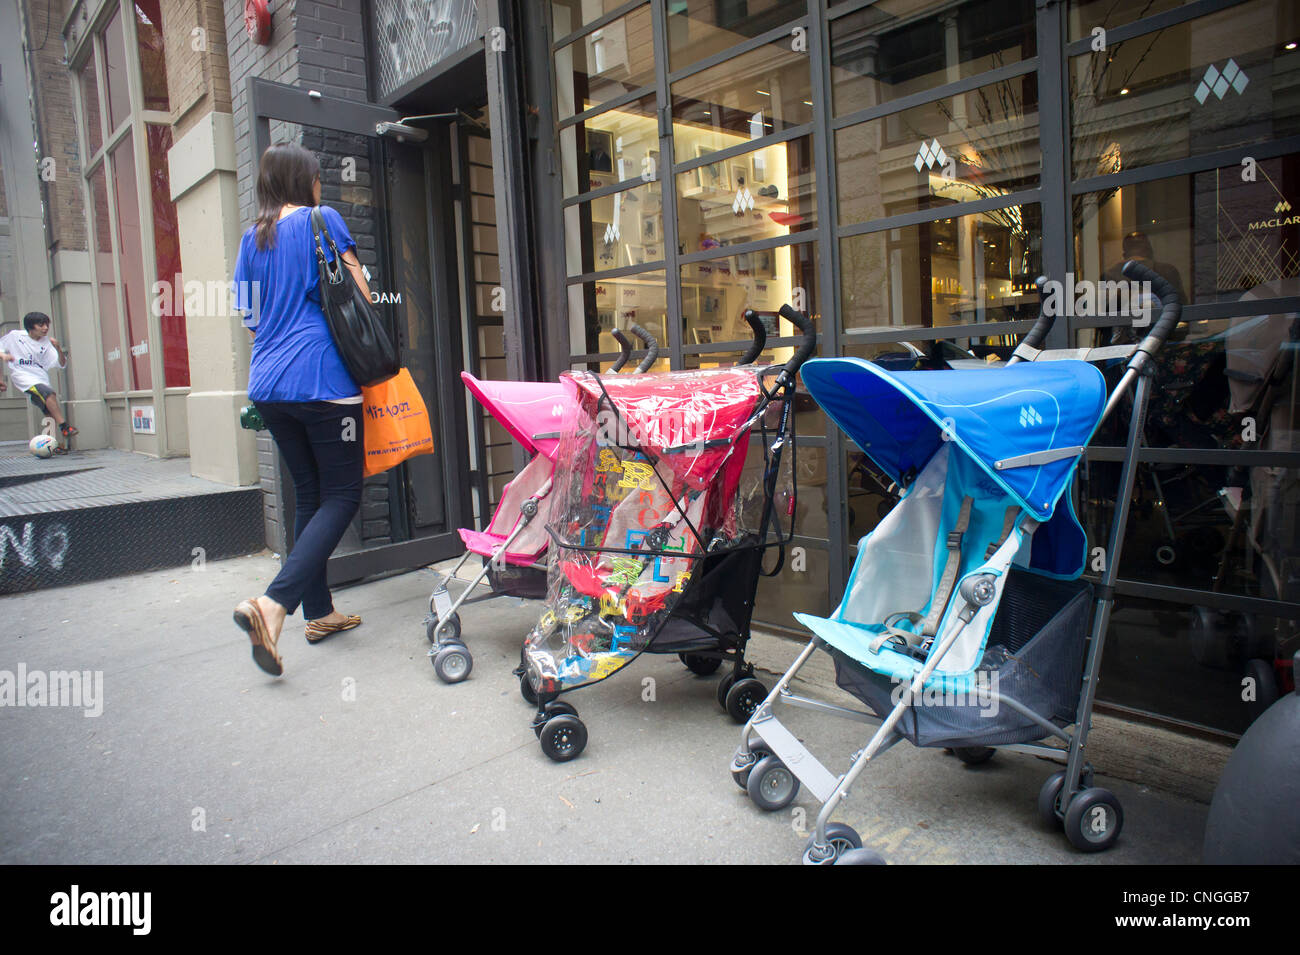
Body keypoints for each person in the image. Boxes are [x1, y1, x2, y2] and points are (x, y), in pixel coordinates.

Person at [230, 142, 371, 677]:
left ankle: (319, 613)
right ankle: (272, 604)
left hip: (268, 385)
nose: (321, 185)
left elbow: (249, 318)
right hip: (322, 380)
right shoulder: (322, 220)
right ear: (303, 181)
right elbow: (360, 290)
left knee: (309, 493)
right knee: (342, 493)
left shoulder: (251, 238)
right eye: (316, 176)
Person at [0, 312, 77, 449]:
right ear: (30, 327)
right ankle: (65, 427)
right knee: (48, 393)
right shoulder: (15, 336)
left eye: (47, 324)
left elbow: (61, 364)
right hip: (22, 376)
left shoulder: (47, 342)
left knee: (48, 409)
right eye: (41, 325)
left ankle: (51, 444)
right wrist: (4, 355)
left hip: (40, 378)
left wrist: (58, 348)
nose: (45, 328)